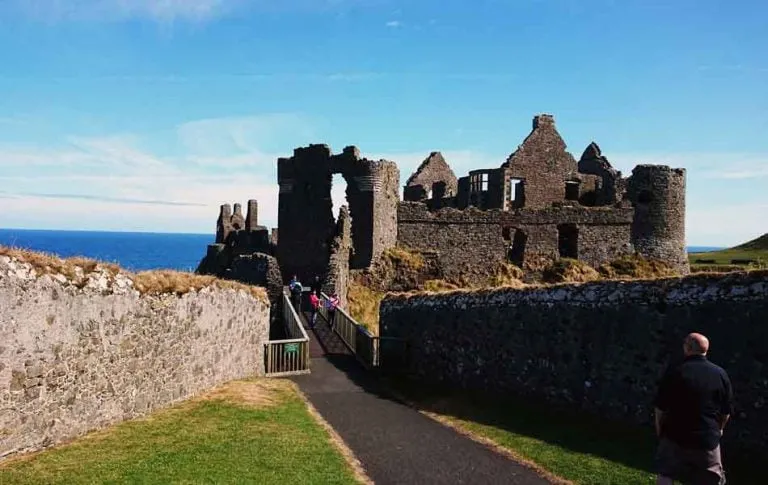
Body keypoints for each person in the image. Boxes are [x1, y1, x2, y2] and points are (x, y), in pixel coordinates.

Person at [654, 333, 734, 485]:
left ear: (687, 347)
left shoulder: (676, 371)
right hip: (706, 436)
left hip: (674, 432)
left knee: (666, 473)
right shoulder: (720, 374)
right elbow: (725, 411)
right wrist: (720, 429)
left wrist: (660, 428)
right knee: (710, 477)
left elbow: (660, 407)